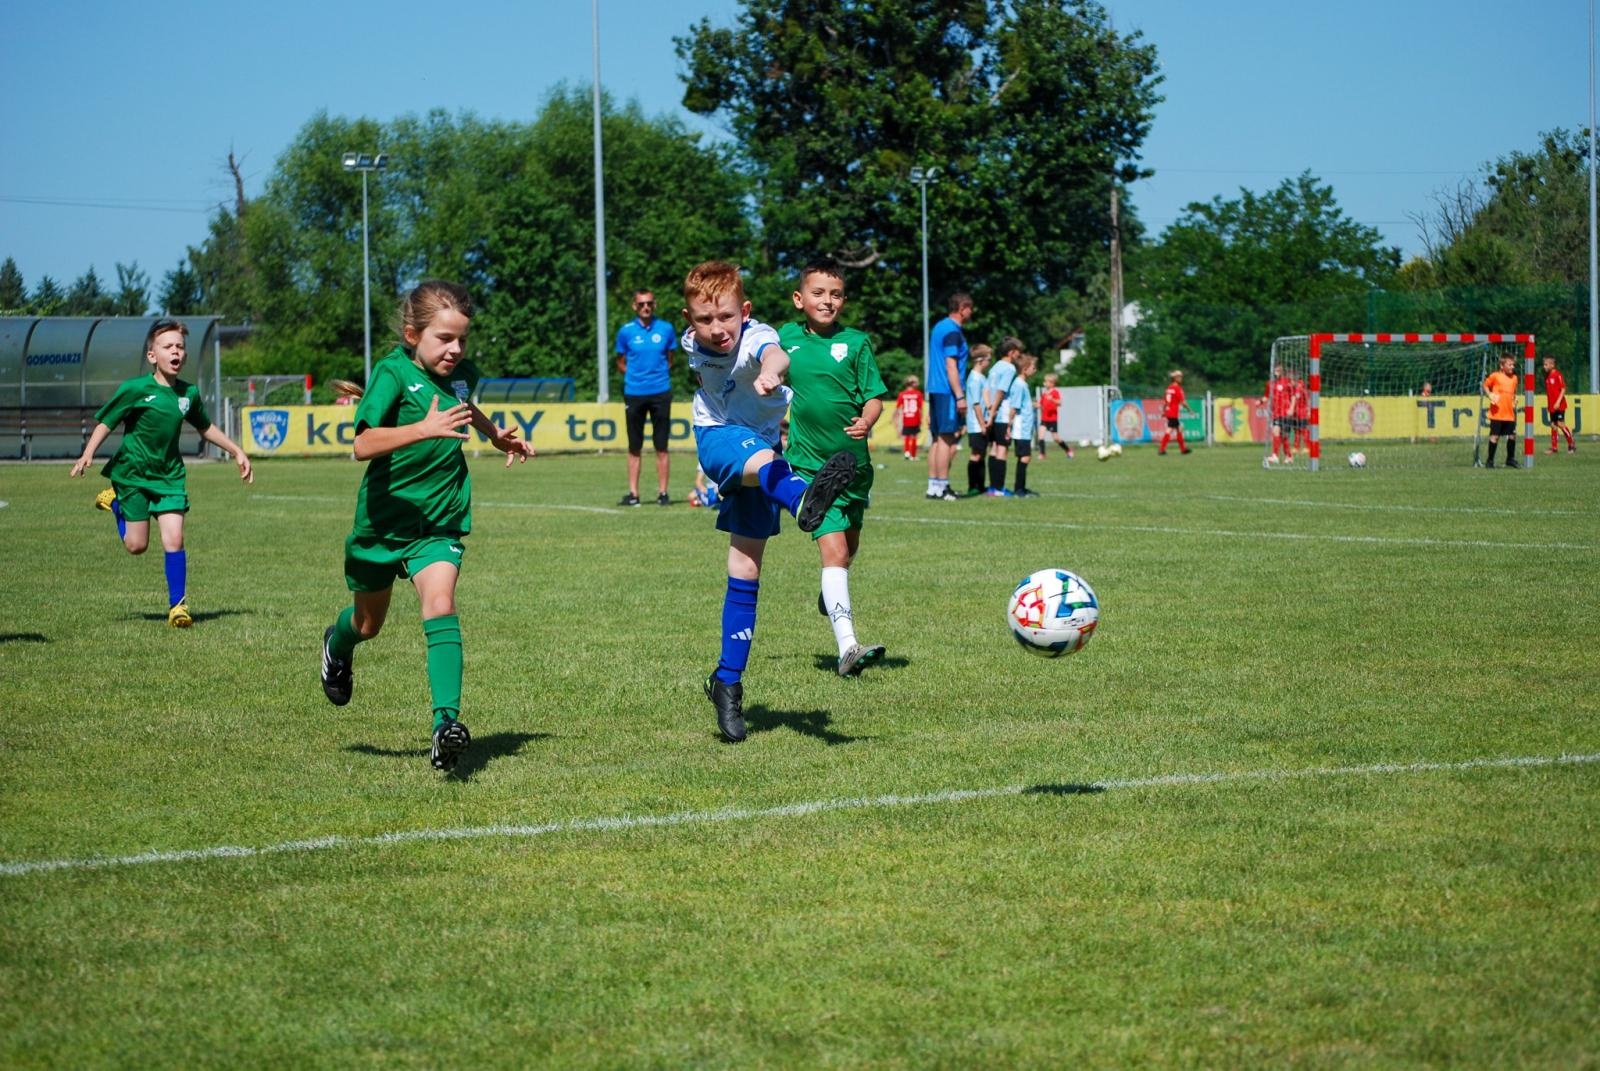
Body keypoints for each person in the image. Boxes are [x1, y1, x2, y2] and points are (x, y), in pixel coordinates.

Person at [316, 280, 535, 773]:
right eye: (444, 339)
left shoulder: (461, 374)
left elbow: (463, 405)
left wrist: (494, 434)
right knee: (368, 624)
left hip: (439, 516)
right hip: (383, 522)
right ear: (414, 335)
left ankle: (445, 727)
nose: (455, 349)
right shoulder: (392, 373)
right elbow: (363, 445)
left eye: (462, 339)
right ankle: (338, 643)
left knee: (441, 603)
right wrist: (422, 429)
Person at [682, 261, 857, 742]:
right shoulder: (691, 343)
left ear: (747, 312)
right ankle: (803, 502)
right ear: (688, 319)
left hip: (760, 448)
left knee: (745, 570)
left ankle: (727, 682)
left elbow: (775, 353)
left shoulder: (757, 334)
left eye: (726, 317)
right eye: (703, 319)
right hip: (719, 438)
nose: (716, 329)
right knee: (766, 461)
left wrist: (772, 374)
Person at [71, 318, 253, 628]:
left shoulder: (189, 394)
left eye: (180, 347)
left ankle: (178, 607)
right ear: (152, 355)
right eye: (167, 346)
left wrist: (236, 450)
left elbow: (205, 427)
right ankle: (114, 501)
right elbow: (107, 422)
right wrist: (88, 453)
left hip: (169, 477)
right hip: (132, 475)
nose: (175, 352)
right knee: (136, 546)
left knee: (175, 538)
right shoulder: (135, 389)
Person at [780, 256, 890, 677]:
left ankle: (832, 590)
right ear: (799, 298)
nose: (828, 301)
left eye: (836, 294)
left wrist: (867, 418)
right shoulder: (784, 340)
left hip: (854, 470)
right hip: (810, 469)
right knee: (836, 550)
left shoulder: (857, 342)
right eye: (818, 293)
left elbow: (876, 395)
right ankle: (848, 648)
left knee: (849, 550)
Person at [615, 288, 677, 506]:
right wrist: (636, 377)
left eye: (649, 303)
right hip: (634, 393)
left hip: (661, 391)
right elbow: (620, 361)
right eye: (641, 304)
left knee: (661, 445)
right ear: (634, 306)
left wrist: (655, 376)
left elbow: (670, 359)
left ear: (654, 304)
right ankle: (633, 494)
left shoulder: (666, 329)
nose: (646, 307)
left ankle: (663, 493)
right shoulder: (626, 331)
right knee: (634, 446)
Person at [924, 292, 975, 501]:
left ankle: (933, 486)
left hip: (935, 389)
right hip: (947, 390)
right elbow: (951, 365)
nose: (971, 313)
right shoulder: (953, 330)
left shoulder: (939, 326)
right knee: (946, 438)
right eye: (970, 308)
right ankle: (943, 487)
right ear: (962, 308)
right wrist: (960, 396)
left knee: (937, 439)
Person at [983, 337, 1021, 496]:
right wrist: (994, 411)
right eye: (1019, 352)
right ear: (1011, 352)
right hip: (1002, 414)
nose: (1020, 356)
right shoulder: (1009, 368)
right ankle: (999, 488)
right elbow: (1001, 391)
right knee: (1002, 449)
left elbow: (986, 389)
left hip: (991, 413)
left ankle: (992, 487)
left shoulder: (995, 367)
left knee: (993, 448)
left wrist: (989, 408)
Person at [1008, 353, 1041, 497]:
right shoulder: (1019, 384)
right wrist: (1008, 426)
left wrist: (1033, 404)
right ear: (1025, 369)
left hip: (1026, 427)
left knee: (1025, 457)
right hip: (1021, 428)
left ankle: (1020, 488)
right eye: (1033, 367)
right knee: (1025, 457)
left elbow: (1022, 404)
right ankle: (1019, 489)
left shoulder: (1022, 384)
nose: (1035, 369)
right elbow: (1014, 407)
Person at [963, 344, 993, 496]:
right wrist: (982, 423)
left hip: (982, 422)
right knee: (975, 454)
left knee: (982, 453)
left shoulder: (981, 377)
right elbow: (975, 404)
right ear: (980, 360)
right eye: (989, 359)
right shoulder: (974, 379)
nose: (990, 362)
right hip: (976, 423)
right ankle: (972, 486)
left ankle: (981, 486)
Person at [1482, 354, 1521, 468]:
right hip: (1497, 413)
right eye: (1509, 364)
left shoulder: (1514, 378)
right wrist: (1489, 395)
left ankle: (1510, 459)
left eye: (1513, 364)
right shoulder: (1495, 376)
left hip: (1510, 413)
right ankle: (1490, 461)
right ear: (1502, 366)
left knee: (1512, 436)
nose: (1512, 367)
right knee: (1495, 436)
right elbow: (1485, 385)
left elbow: (1513, 392)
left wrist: (1514, 398)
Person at [1157, 370, 1195, 455]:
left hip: (1168, 412)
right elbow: (1183, 402)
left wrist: (1164, 411)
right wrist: (1190, 410)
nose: (1181, 378)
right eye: (1179, 377)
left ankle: (1182, 449)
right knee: (1170, 429)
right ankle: (1162, 449)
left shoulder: (1169, 388)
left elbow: (1165, 402)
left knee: (1178, 429)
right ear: (1175, 378)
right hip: (1173, 413)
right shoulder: (1177, 389)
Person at [1544, 355, 1576, 454]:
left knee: (1561, 424)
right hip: (1552, 406)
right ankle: (1554, 448)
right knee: (1553, 425)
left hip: (1559, 405)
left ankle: (1571, 444)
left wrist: (1558, 402)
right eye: (1544, 364)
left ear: (1552, 365)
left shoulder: (1557, 375)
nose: (1544, 366)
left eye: (1546, 364)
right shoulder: (1548, 376)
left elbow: (1563, 389)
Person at [1037, 372, 1071, 459]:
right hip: (1044, 418)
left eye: (1047, 381)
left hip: (1052, 419)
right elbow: (1040, 405)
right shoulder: (1044, 394)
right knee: (1040, 435)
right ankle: (1042, 454)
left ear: (1052, 383)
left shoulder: (1055, 392)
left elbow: (1059, 403)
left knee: (1055, 438)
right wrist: (1032, 404)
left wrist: (1052, 399)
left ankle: (1068, 450)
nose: (1044, 383)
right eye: (1045, 381)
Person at [1266, 364, 1293, 464]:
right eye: (1275, 370)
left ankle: (1288, 456)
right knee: (1276, 432)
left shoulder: (1287, 382)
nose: (1276, 373)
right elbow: (1266, 396)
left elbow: (1293, 395)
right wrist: (1260, 402)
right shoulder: (1270, 383)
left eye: (1278, 371)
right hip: (1276, 413)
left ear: (1282, 372)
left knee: (1284, 436)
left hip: (1285, 412)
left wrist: (1291, 408)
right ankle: (1275, 456)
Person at [893, 375, 923, 460]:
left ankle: (906, 453)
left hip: (906, 418)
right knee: (914, 436)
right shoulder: (918, 394)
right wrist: (921, 419)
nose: (918, 384)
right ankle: (913, 455)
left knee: (906, 436)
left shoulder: (902, 394)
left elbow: (898, 408)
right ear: (912, 383)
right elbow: (920, 409)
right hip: (915, 418)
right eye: (916, 382)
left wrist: (895, 419)